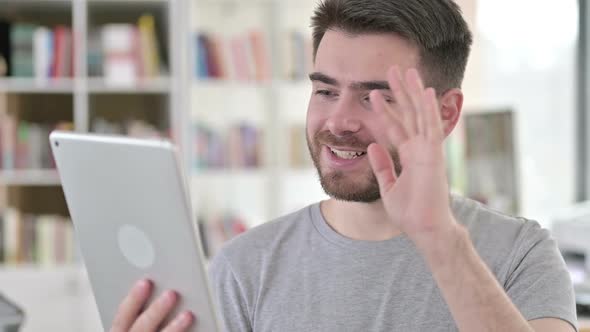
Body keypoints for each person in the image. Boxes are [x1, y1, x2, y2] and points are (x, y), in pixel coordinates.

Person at [109, 0, 577, 331]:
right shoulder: (244, 268)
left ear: (446, 113)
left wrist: (439, 239)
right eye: (326, 91)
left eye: (377, 98)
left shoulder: (521, 254)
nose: (339, 121)